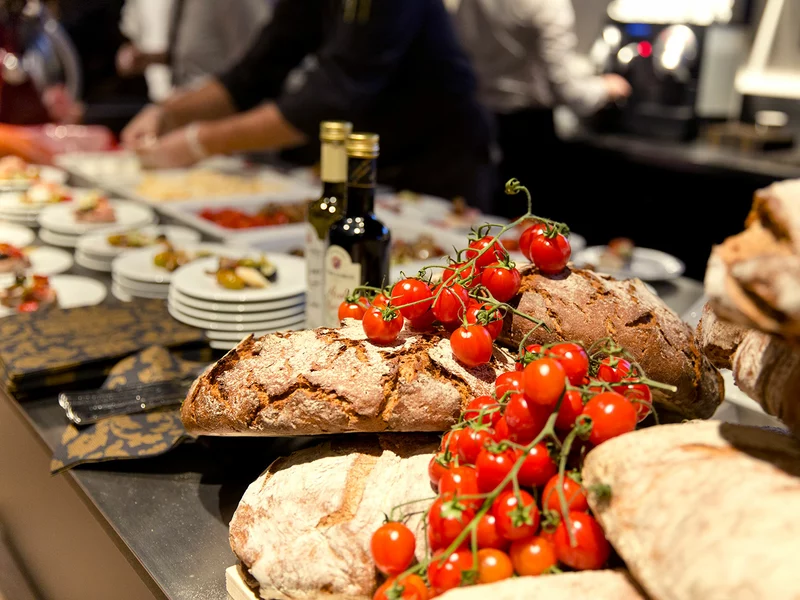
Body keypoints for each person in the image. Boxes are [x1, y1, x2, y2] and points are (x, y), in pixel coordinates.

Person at [121, 0, 493, 210]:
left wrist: (200, 142)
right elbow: (256, 71)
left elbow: (331, 94)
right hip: (371, 166)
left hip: (435, 166)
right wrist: (169, 112)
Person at [446, 0, 631, 215]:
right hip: (529, 132)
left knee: (487, 220)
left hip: (481, 121)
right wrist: (605, 88)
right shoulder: (548, 5)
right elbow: (566, 89)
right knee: (529, 225)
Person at [115, 0, 273, 102]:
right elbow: (196, 50)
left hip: (225, 117)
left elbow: (258, 61)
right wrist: (151, 58)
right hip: (174, 108)